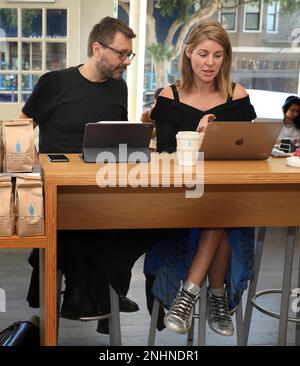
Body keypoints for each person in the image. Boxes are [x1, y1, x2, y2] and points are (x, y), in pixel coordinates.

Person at [19, 17, 156, 325]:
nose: (126, 61)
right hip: (60, 188)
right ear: (98, 48)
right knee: (86, 219)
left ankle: (104, 286)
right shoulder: (54, 83)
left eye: (129, 54)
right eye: (121, 54)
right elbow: (22, 130)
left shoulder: (118, 88)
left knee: (150, 220)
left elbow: (117, 137)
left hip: (103, 185)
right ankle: (91, 291)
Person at [144, 21, 256, 336]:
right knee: (223, 212)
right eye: (204, 54)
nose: (210, 63)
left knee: (222, 206)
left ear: (226, 58)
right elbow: (165, 153)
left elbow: (247, 147)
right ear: (189, 52)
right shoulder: (170, 95)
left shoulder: (237, 95)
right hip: (181, 199)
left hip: (224, 193)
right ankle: (216, 295)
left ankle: (188, 292)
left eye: (218, 55)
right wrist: (198, 137)